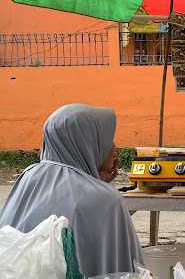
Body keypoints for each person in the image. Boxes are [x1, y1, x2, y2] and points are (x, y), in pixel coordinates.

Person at [0, 104, 143, 277]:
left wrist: (95, 180)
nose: (114, 148)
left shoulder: (30, 175)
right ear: (86, 143)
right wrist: (101, 188)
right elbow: (129, 269)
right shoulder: (106, 200)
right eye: (105, 140)